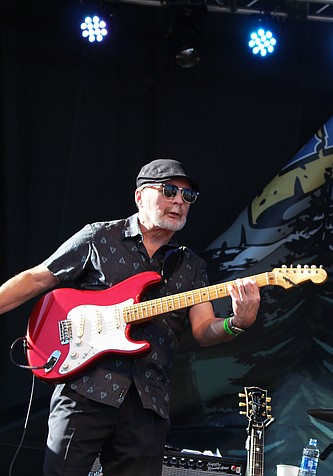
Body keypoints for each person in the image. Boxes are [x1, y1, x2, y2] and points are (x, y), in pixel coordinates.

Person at [0, 158, 261, 475]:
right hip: (86, 389)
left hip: (148, 401)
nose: (179, 201)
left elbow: (204, 330)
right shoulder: (99, 237)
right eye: (169, 191)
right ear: (140, 196)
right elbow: (38, 279)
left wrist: (237, 323)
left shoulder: (191, 266)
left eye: (187, 196)